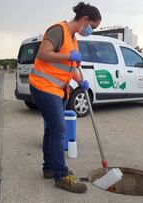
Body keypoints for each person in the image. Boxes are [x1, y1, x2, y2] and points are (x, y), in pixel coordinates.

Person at [28, 2, 102, 193]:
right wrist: (68, 55)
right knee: (60, 130)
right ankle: (61, 175)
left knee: (52, 130)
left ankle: (49, 168)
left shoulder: (73, 37)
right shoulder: (58, 30)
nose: (91, 31)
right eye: (92, 27)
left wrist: (79, 81)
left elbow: (69, 67)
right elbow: (43, 54)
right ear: (85, 20)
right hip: (43, 87)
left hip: (58, 89)